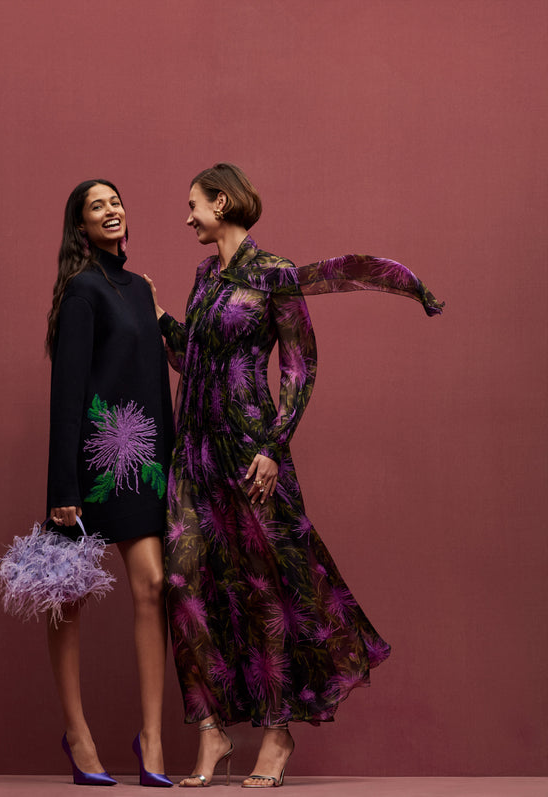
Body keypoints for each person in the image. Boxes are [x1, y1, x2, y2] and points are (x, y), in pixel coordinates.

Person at [145, 163, 443, 788]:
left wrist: (275, 447)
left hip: (251, 452)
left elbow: (300, 368)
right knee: (185, 584)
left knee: (264, 590)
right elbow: (187, 357)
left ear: (220, 202)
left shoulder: (274, 274)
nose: (187, 216)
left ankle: (277, 734)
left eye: (192, 204)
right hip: (194, 454)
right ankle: (211, 732)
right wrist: (160, 315)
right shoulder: (206, 276)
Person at [46, 179, 174, 787]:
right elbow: (67, 392)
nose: (113, 209)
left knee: (151, 586)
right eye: (98, 205)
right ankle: (78, 734)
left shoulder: (140, 289)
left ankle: (151, 740)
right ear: (80, 228)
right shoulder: (83, 292)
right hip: (92, 467)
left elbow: (160, 372)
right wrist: (60, 487)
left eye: (117, 200)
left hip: (144, 460)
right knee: (67, 598)